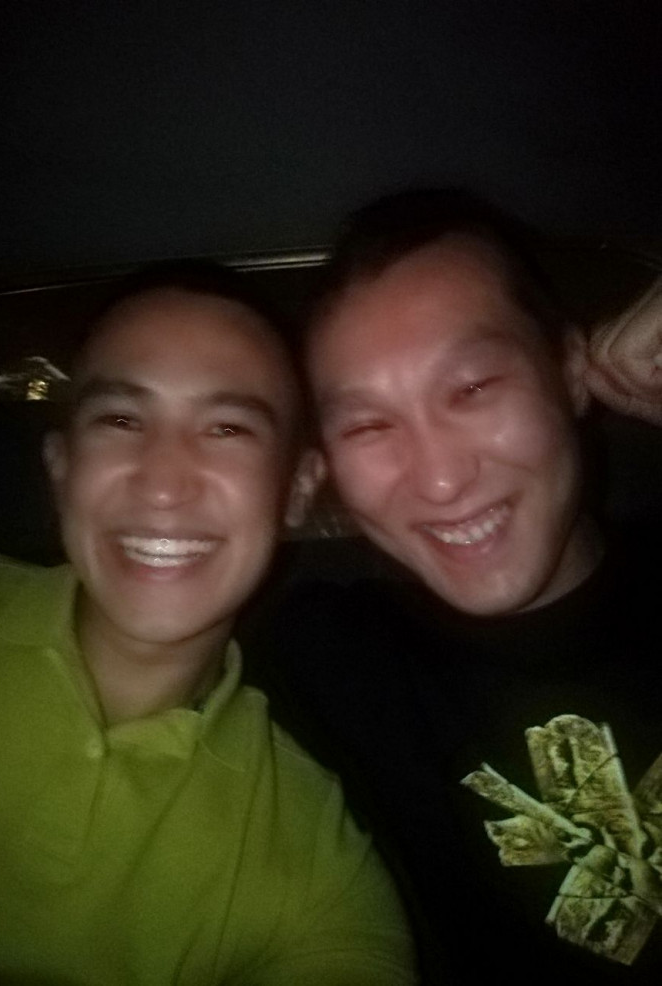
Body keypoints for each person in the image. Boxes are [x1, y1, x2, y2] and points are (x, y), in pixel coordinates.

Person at [0, 263, 416, 985]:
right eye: (121, 420)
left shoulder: (315, 866)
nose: (162, 483)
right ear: (61, 466)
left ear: (297, 489)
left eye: (228, 429)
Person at [243, 191, 662, 984]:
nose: (439, 480)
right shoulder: (322, 666)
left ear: (572, 371)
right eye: (368, 425)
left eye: (472, 389)